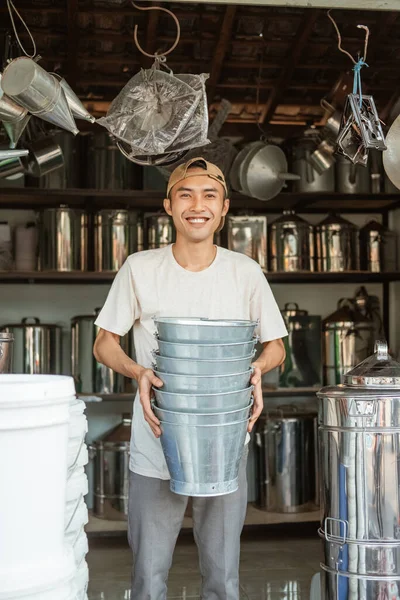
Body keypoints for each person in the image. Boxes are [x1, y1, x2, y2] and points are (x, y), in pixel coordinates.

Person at [93, 157, 288, 600]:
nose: (196, 205)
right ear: (168, 206)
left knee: (222, 580)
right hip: (155, 443)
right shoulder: (140, 268)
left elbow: (276, 345)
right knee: (147, 577)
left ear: (224, 208)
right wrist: (138, 371)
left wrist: (256, 369)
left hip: (225, 444)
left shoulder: (246, 272)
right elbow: (104, 344)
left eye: (208, 195)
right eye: (185, 194)